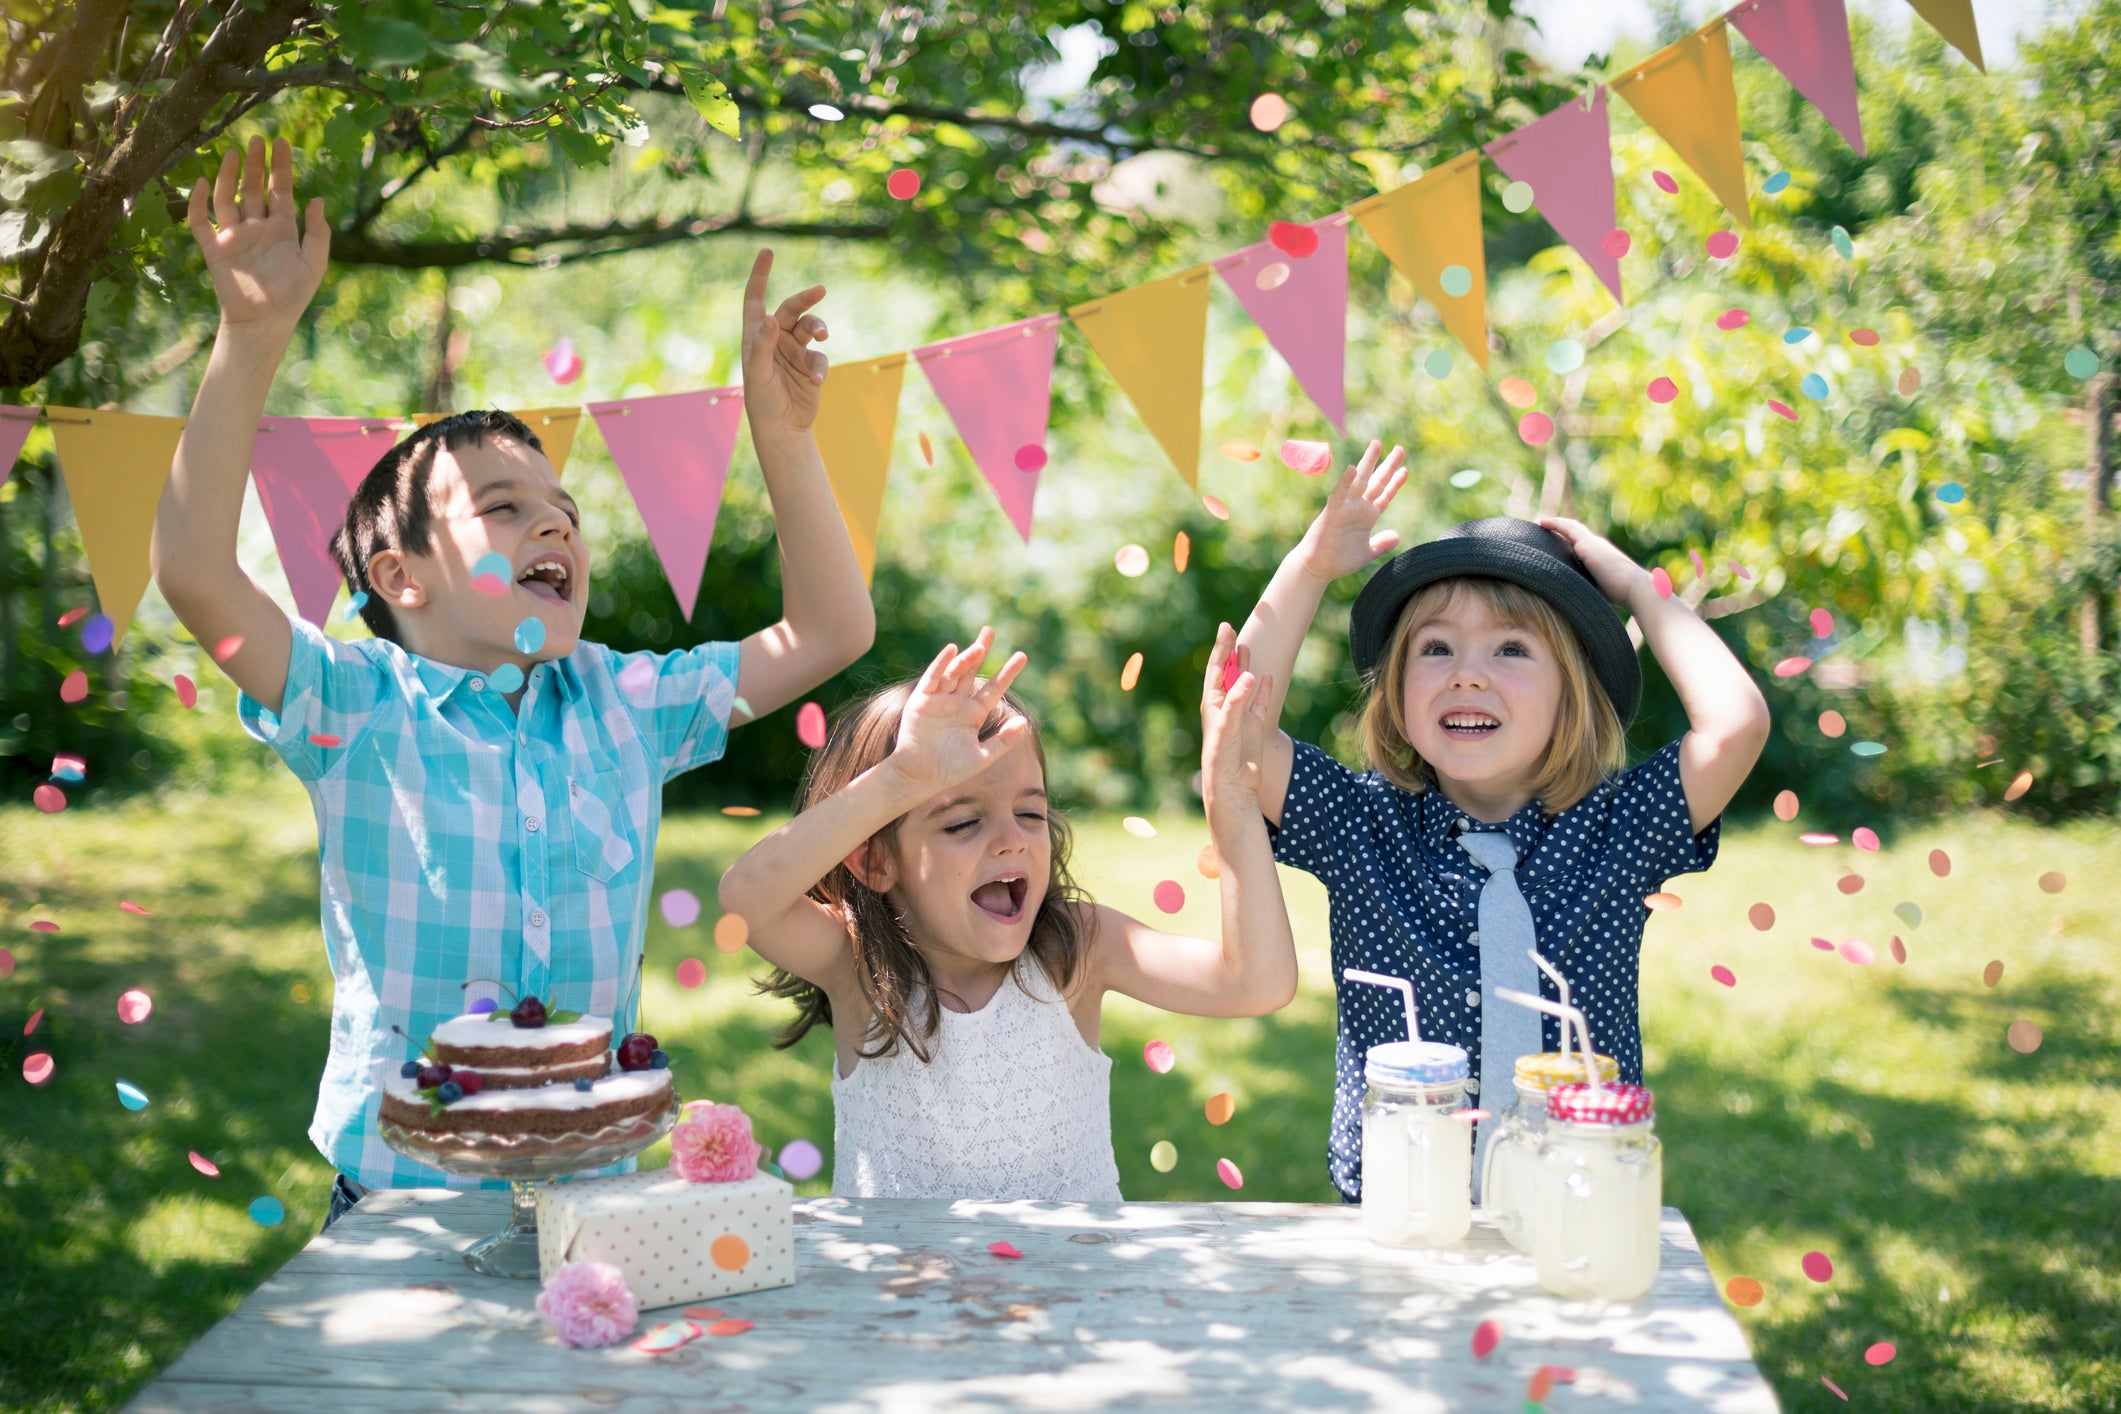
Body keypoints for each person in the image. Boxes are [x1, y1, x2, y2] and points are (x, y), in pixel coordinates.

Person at [149, 137, 876, 1225]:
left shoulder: (626, 705)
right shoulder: (353, 707)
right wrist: (249, 338)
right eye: (500, 507)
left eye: (564, 512)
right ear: (401, 575)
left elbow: (831, 628)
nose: (552, 522)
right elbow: (197, 576)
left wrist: (781, 435)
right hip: (400, 1199)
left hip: (599, 1198)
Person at [1230, 441, 1770, 1203]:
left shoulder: (1618, 828)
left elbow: (1736, 725)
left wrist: (1634, 588)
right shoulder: (1362, 826)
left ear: (1569, 694)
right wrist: (1309, 567)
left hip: (1578, 1199)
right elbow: (1237, 732)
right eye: (1436, 648)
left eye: (1511, 649)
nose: (1468, 673)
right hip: (1400, 1203)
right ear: (1395, 693)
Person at [717, 624, 1293, 1199]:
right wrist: (901, 780)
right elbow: (746, 902)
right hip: (901, 1287)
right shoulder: (858, 969)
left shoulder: (1076, 950)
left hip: (1071, 1287)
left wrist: (1234, 805)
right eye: (963, 822)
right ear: (874, 862)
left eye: (1031, 814)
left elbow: (1255, 983)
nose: (1011, 840)